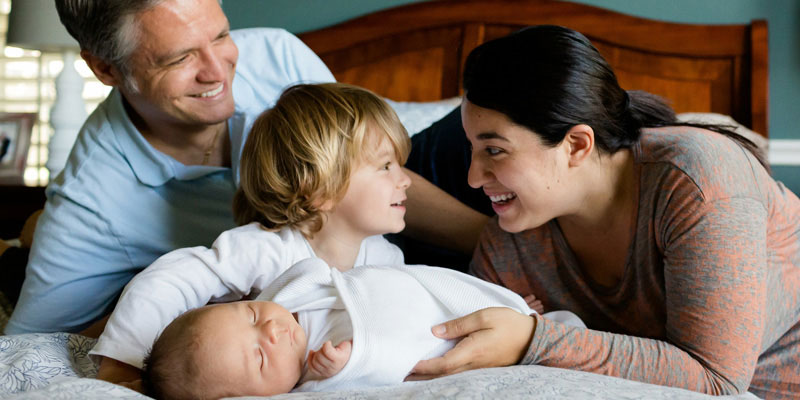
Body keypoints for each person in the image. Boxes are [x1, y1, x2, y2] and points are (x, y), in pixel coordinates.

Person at [2, 0, 486, 337]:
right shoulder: (91, 200)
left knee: (489, 114)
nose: (219, 71)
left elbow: (365, 172)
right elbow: (32, 348)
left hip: (383, 212)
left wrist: (497, 242)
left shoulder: (275, 54)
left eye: (220, 35)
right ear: (106, 69)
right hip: (319, 267)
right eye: (181, 57)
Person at [405, 25, 800, 399]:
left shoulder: (697, 180)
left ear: (577, 145)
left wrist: (533, 339)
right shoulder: (506, 248)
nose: (473, 178)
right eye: (472, 149)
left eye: (494, 150)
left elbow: (717, 379)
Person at [93, 82, 505, 387]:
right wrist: (120, 365)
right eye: (385, 167)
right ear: (320, 189)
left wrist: (495, 303)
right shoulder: (266, 248)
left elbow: (424, 307)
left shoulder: (384, 258)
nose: (406, 181)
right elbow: (170, 280)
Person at [140, 257, 580, 399]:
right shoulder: (314, 376)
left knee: (543, 324)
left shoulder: (293, 296)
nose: (271, 331)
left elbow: (318, 272)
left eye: (252, 315)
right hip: (440, 339)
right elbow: (380, 376)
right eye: (258, 358)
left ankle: (530, 322)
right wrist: (345, 365)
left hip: (429, 297)